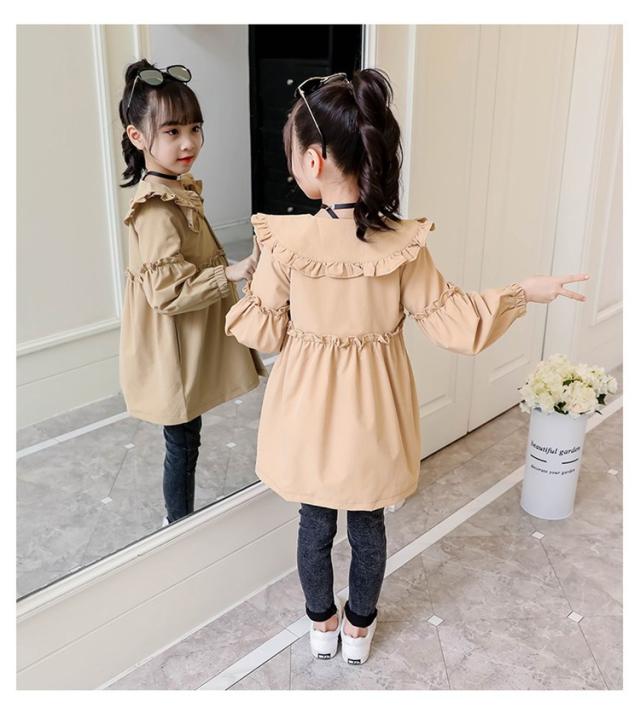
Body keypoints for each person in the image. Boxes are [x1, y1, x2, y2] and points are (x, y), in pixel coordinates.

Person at [224, 68, 589, 665]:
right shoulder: (403, 242)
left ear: (313, 161)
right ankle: (358, 631)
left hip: (306, 409)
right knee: (368, 522)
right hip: (375, 408)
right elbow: (455, 322)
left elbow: (261, 330)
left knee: (314, 521)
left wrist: (264, 287)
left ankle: (321, 624)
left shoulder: (286, 242)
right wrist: (522, 291)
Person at [118, 59, 266, 525]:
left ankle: (178, 519)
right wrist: (231, 272)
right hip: (170, 343)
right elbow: (167, 293)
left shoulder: (175, 188)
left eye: (195, 129)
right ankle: (177, 523)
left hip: (182, 336)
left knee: (185, 434)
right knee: (181, 439)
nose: (188, 143)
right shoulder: (156, 207)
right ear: (137, 136)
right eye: (172, 131)